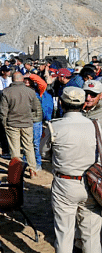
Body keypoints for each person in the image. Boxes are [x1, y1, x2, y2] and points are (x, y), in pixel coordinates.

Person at [48, 87, 102, 253]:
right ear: (82, 104)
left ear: (62, 104)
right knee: (91, 235)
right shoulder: (95, 126)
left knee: (64, 233)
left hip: (65, 183)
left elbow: (44, 152)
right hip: (91, 183)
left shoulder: (54, 127)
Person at [0, 72, 41, 176]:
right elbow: (35, 108)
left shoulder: (6, 92)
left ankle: (17, 172)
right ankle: (32, 169)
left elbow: (3, 111)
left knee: (15, 149)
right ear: (22, 80)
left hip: (12, 123)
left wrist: (4, 123)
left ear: (12, 80)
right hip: (27, 123)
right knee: (29, 147)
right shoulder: (30, 92)